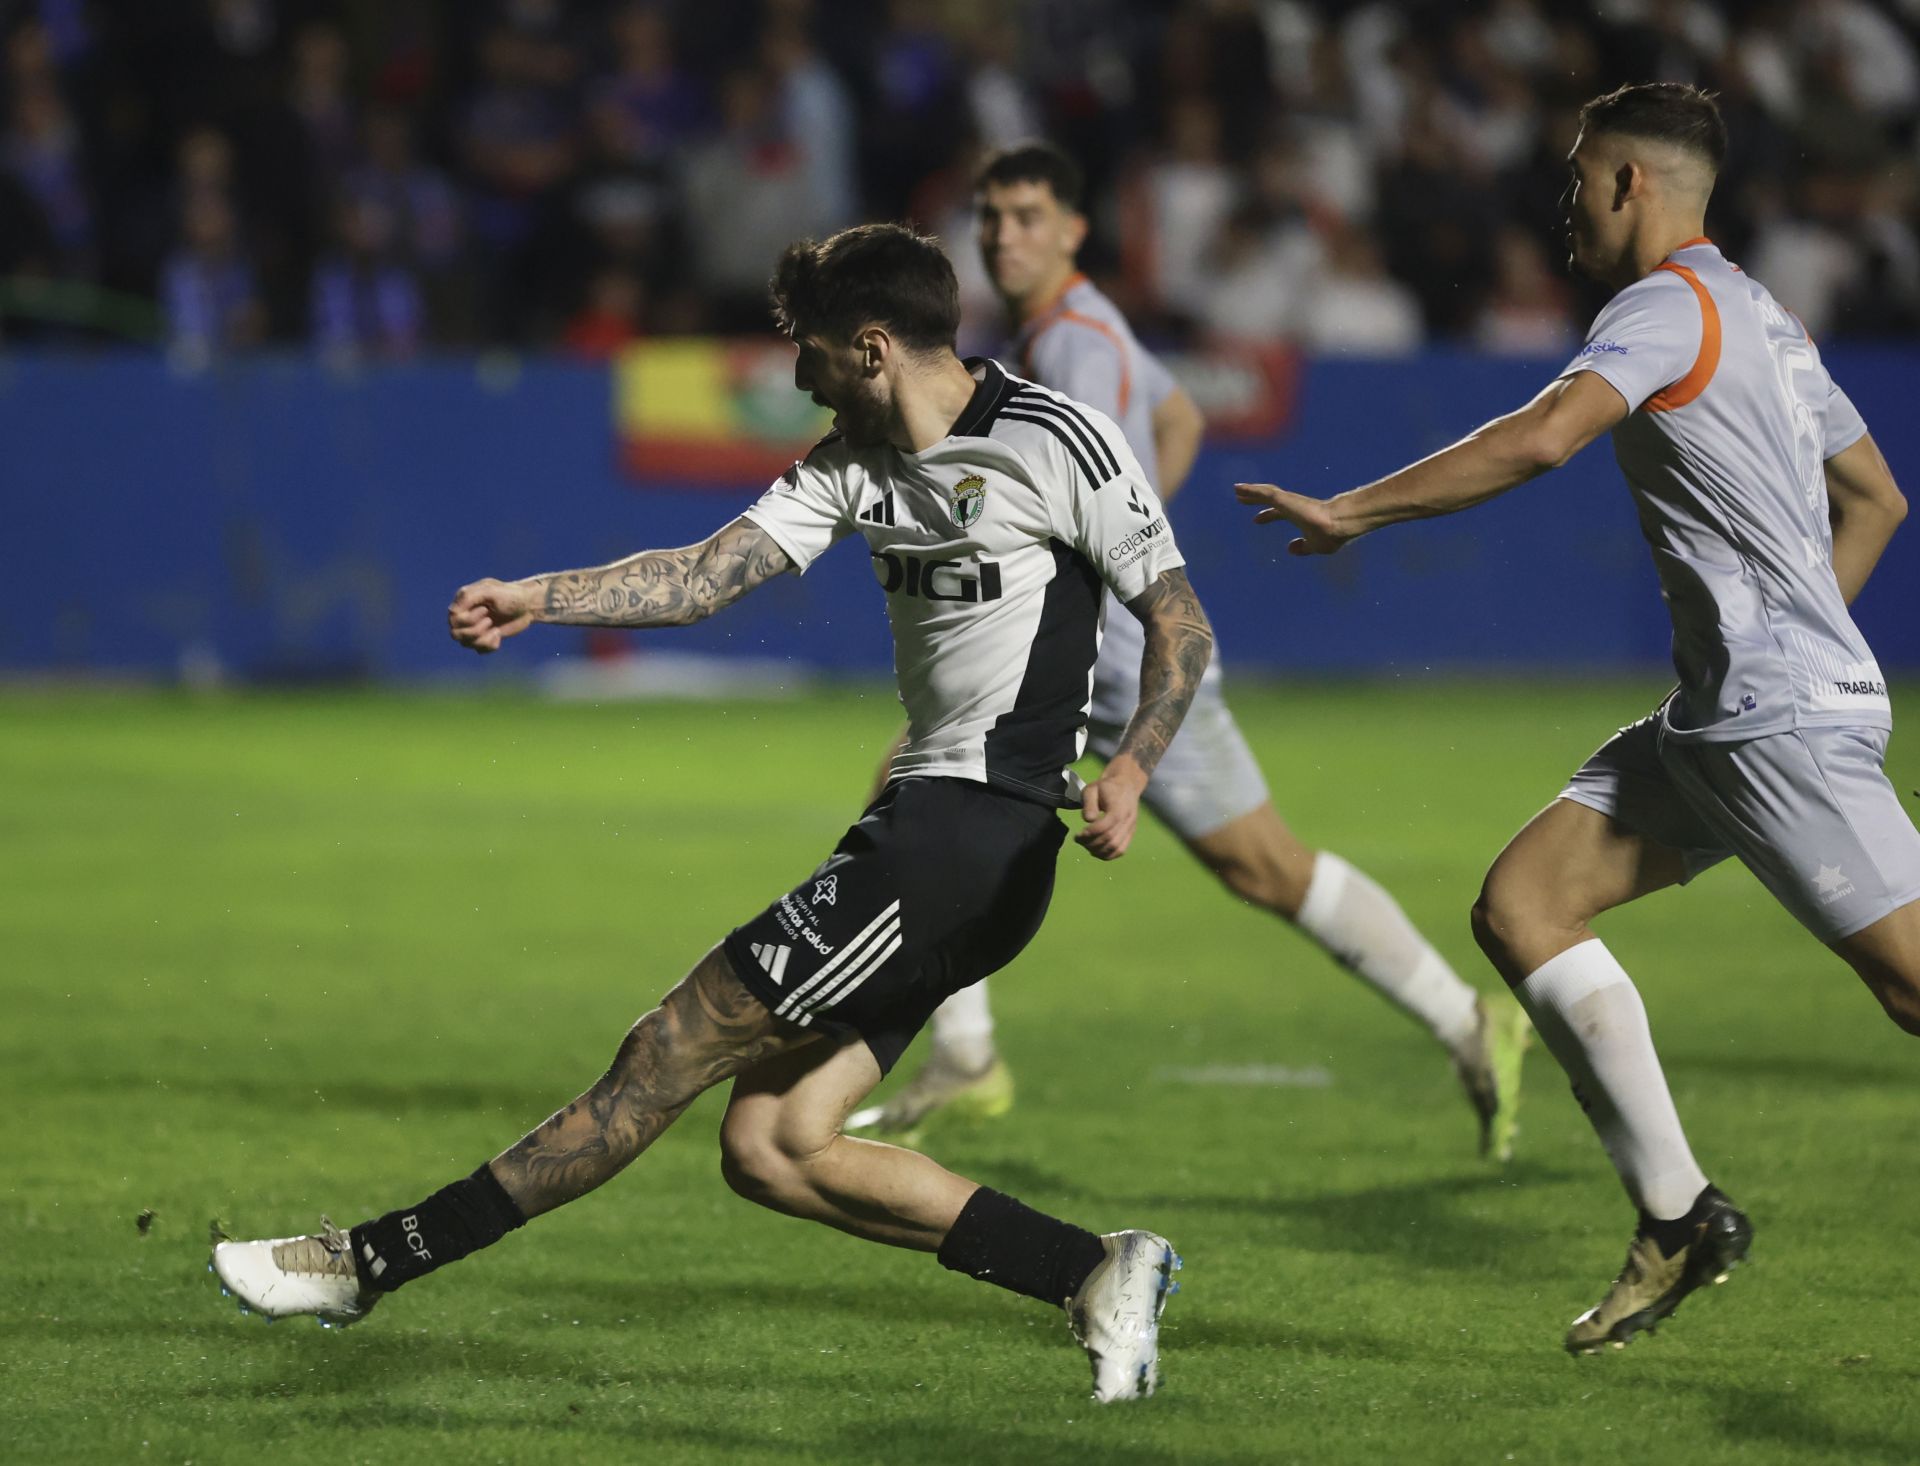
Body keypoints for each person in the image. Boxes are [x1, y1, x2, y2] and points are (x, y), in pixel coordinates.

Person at [211, 223, 1216, 1403]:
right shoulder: (852, 457)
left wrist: (1137, 765)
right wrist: (541, 596)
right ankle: (1098, 1268)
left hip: (970, 835)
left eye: (815, 351)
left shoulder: (1058, 439)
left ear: (876, 346)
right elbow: (701, 574)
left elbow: (1180, 622)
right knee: (775, 1147)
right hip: (933, 836)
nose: (798, 375)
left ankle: (365, 1261)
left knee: (666, 1048)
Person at [1237, 82, 1919, 1355]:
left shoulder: (1661, 306)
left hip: (1771, 723)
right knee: (1524, 904)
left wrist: (1353, 511)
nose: (1563, 202)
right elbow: (1874, 497)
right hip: (1728, 718)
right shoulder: (1763, 315)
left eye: (1577, 178)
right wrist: (1808, 636)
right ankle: (1679, 1214)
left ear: (1628, 186)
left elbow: (1547, 434)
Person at [851, 142, 1530, 1159]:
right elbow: (1176, 413)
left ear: (1076, 229)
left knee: (1261, 864)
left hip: (1112, 661)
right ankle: (966, 1053)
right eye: (991, 217)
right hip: (1080, 651)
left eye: (1029, 215)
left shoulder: (1077, 345)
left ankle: (1469, 1018)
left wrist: (1114, 571)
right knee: (923, 782)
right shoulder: (1070, 334)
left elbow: (1090, 483)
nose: (1004, 235)